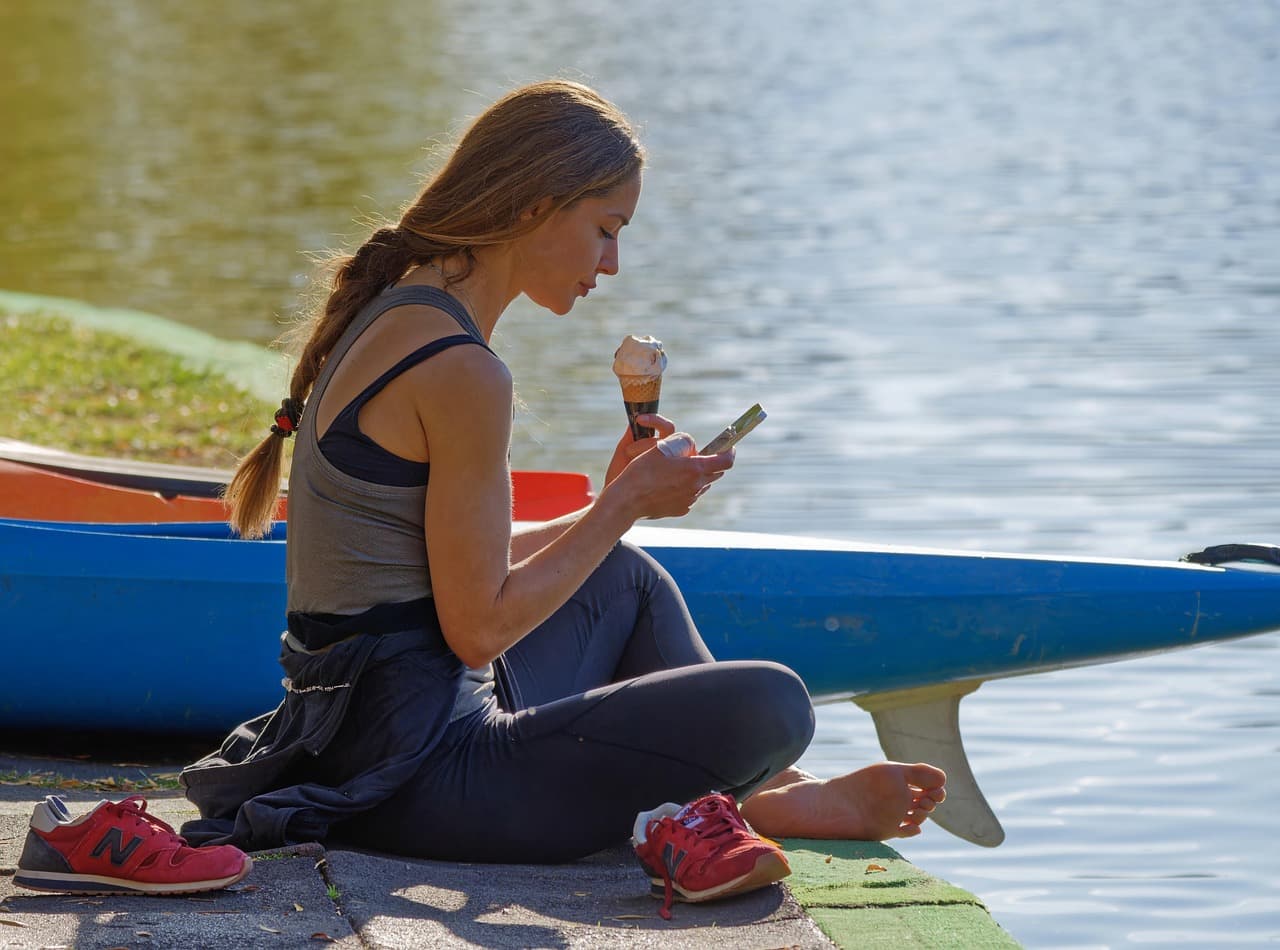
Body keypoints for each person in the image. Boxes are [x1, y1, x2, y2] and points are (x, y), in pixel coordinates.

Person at [179, 79, 945, 908]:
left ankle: (766, 793)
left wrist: (609, 505)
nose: (610, 264)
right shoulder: (462, 370)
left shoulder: (403, 311)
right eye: (606, 230)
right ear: (538, 206)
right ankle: (747, 796)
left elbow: (444, 573)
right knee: (775, 703)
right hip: (420, 779)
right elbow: (477, 629)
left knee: (624, 579)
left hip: (364, 736)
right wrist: (623, 506)